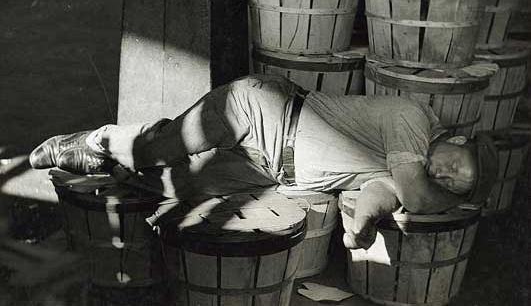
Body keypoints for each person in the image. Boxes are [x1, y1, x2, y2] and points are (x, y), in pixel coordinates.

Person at [29, 74, 497, 250]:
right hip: (260, 110)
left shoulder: (407, 169)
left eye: (456, 185)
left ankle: (109, 160)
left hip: (270, 169)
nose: (446, 176)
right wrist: (441, 201)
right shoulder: (412, 119)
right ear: (458, 138)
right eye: (458, 165)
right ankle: (98, 139)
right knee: (159, 150)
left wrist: (362, 229)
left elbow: (383, 195)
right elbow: (415, 196)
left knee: (175, 187)